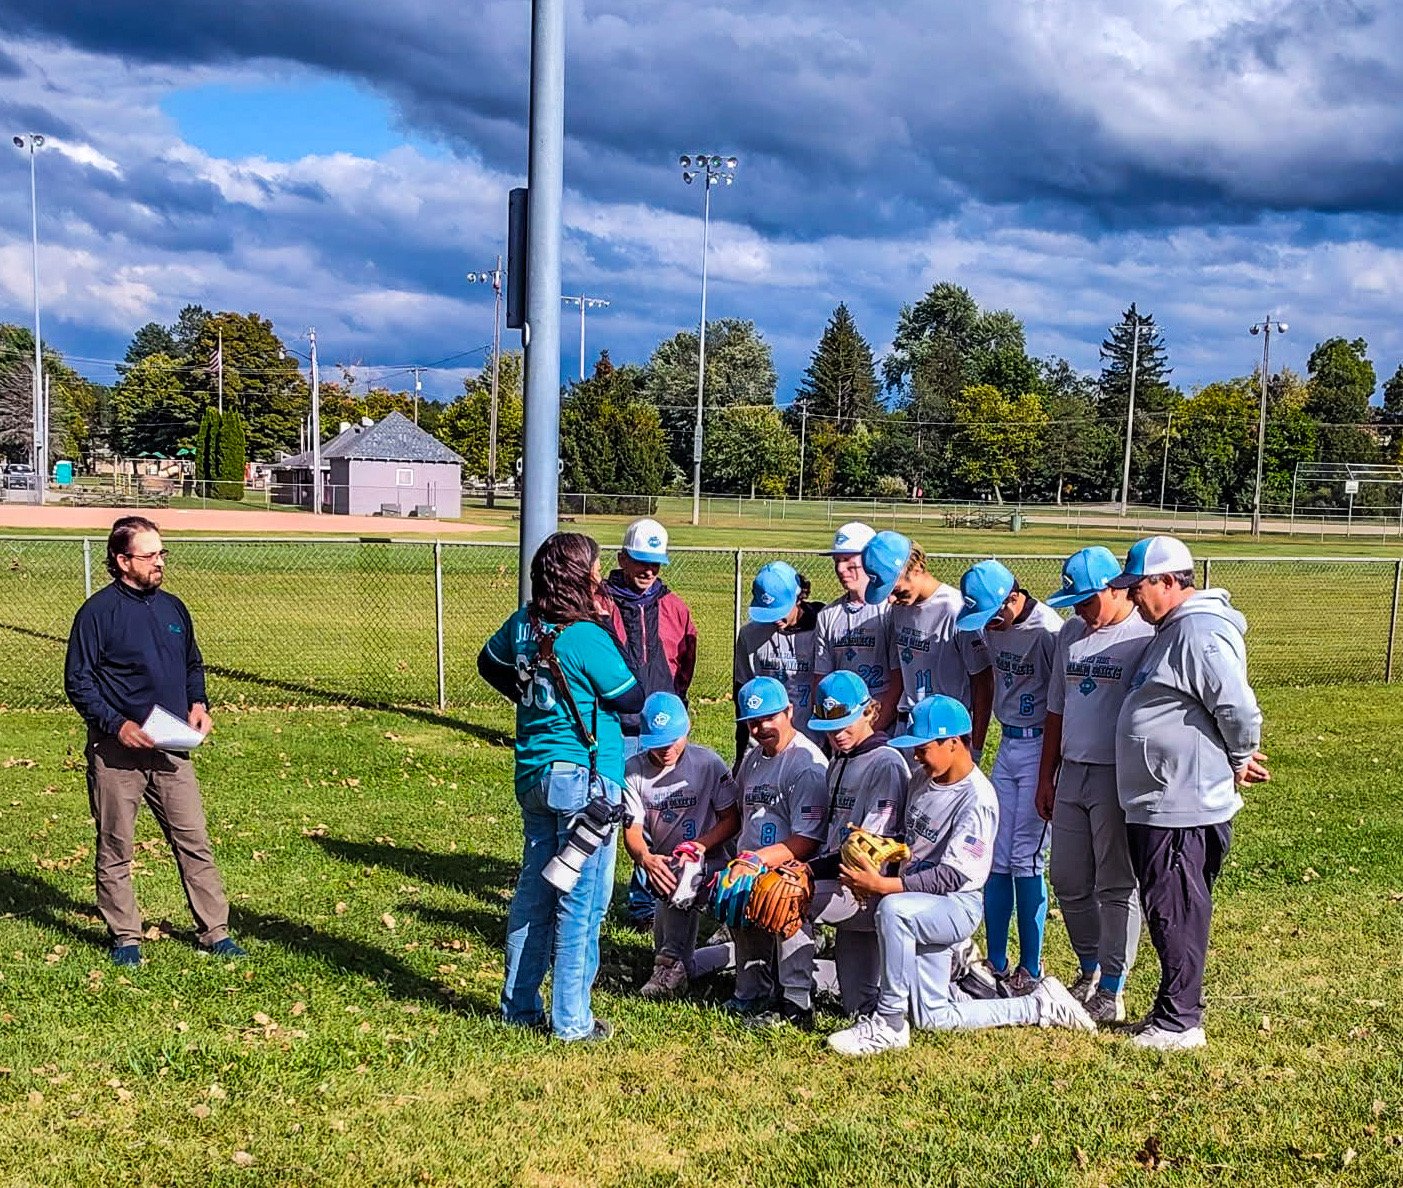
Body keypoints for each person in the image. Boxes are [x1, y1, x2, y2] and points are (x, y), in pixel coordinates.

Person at [825, 696, 1093, 1056]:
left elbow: (951, 876)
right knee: (933, 1016)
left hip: (954, 906)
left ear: (953, 742)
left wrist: (883, 886)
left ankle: (888, 1024)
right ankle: (1040, 1004)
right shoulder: (923, 779)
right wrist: (884, 846)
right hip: (920, 904)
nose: (916, 756)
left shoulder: (977, 798)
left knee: (893, 910)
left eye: (923, 748)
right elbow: (911, 841)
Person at [477, 532, 645, 1043]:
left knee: (534, 893)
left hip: (533, 773)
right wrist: (605, 621)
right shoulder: (584, 636)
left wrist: (534, 701)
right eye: (594, 567)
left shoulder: (523, 625)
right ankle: (573, 1020)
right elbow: (631, 697)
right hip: (586, 783)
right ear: (581, 575)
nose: (601, 575)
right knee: (581, 901)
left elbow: (489, 664)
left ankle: (519, 1005)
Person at [62, 515, 246, 966]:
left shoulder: (173, 609)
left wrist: (198, 704)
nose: (159, 562)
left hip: (172, 749)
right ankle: (126, 937)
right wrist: (115, 724)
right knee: (116, 846)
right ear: (122, 560)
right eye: (149, 555)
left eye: (162, 553)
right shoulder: (97, 614)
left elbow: (192, 665)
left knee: (194, 840)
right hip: (117, 752)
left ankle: (215, 931)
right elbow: (78, 681)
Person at [1109, 535, 1268, 1052]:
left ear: (1171, 581)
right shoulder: (1173, 630)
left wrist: (1242, 754)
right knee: (1166, 905)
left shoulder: (1198, 632)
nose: (1133, 597)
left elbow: (1237, 707)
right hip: (1162, 796)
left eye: (1140, 587)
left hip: (1181, 801)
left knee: (1175, 906)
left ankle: (1181, 1023)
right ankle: (1171, 1008)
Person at [1035, 547, 1155, 1024]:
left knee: (1115, 881)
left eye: (1088, 600)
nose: (1081, 610)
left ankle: (1112, 985)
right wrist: (1047, 774)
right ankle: (1088, 967)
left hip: (1115, 773)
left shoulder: (1143, 636)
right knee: (1066, 877)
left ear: (1116, 588)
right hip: (1072, 770)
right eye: (1075, 602)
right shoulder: (1070, 634)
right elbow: (1056, 709)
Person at [955, 559, 1062, 996]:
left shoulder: (1048, 631)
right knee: (995, 855)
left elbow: (1061, 701)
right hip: (1010, 744)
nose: (991, 626)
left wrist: (1050, 772)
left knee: (1026, 857)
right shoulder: (989, 626)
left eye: (995, 614)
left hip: (1041, 743)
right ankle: (996, 961)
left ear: (1014, 597)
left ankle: (1030, 967)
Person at [602, 517, 699, 930]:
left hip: (658, 731)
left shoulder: (675, 607)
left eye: (656, 564)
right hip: (614, 727)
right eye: (640, 561)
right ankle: (599, 896)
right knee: (614, 814)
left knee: (659, 816)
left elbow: (686, 662)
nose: (648, 571)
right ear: (622, 558)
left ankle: (647, 902)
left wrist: (673, 707)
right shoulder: (601, 603)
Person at [725, 676, 830, 1029]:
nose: (761, 728)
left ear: (789, 711)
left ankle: (796, 1002)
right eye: (753, 722)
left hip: (793, 866)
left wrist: (755, 861)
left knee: (783, 894)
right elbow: (738, 812)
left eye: (770, 718)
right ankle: (753, 989)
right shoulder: (754, 758)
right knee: (733, 889)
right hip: (754, 861)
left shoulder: (805, 763)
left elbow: (808, 839)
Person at [621, 692, 740, 1000]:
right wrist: (645, 858)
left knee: (681, 876)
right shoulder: (634, 771)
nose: (667, 750)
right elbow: (631, 830)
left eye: (674, 740)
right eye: (658, 743)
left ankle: (668, 974)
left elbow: (732, 820)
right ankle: (724, 956)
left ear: (688, 729)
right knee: (677, 955)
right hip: (665, 865)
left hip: (714, 863)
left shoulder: (708, 763)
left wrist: (700, 846)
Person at [805, 670, 910, 1016]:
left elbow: (864, 852)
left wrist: (805, 871)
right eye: (830, 728)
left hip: (867, 890)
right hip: (841, 882)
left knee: (789, 897)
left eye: (846, 723)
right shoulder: (839, 760)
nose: (837, 733)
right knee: (858, 1007)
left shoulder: (886, 763)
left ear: (870, 712)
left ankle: (791, 1000)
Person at [860, 531, 992, 747]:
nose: (891, 600)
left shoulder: (954, 610)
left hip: (942, 733)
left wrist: (976, 747)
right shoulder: (898, 610)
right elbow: (901, 675)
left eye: (896, 591)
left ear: (917, 568)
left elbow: (983, 684)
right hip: (906, 725)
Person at [733, 561, 824, 760]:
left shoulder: (821, 631)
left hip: (810, 742)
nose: (775, 619)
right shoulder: (750, 635)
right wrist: (741, 753)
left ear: (799, 597)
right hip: (762, 744)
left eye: (780, 610)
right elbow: (742, 694)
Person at [811, 523, 897, 728]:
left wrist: (873, 729)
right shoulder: (828, 616)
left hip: (880, 722)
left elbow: (897, 680)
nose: (841, 569)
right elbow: (821, 678)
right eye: (837, 561)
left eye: (849, 561)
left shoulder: (889, 611)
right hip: (842, 722)